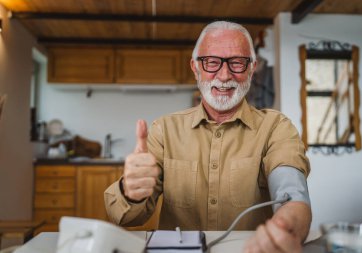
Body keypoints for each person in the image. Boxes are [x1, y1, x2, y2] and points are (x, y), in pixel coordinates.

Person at [104, 21, 312, 253]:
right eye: (212, 62)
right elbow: (124, 218)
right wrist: (129, 191)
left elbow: (292, 195)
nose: (224, 75)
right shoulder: (164, 130)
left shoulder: (277, 127)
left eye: (237, 63)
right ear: (195, 67)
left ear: (252, 68)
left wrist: (286, 229)